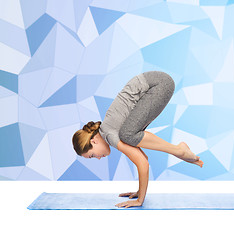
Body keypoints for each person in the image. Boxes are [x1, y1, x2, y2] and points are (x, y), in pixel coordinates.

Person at [72, 71, 204, 208]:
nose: (98, 158)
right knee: (129, 135)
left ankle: (179, 150)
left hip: (157, 85)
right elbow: (143, 158)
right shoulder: (110, 129)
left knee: (127, 135)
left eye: (92, 155)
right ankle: (179, 150)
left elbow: (142, 164)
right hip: (158, 83)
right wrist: (139, 191)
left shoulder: (109, 134)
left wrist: (140, 200)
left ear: (93, 141)